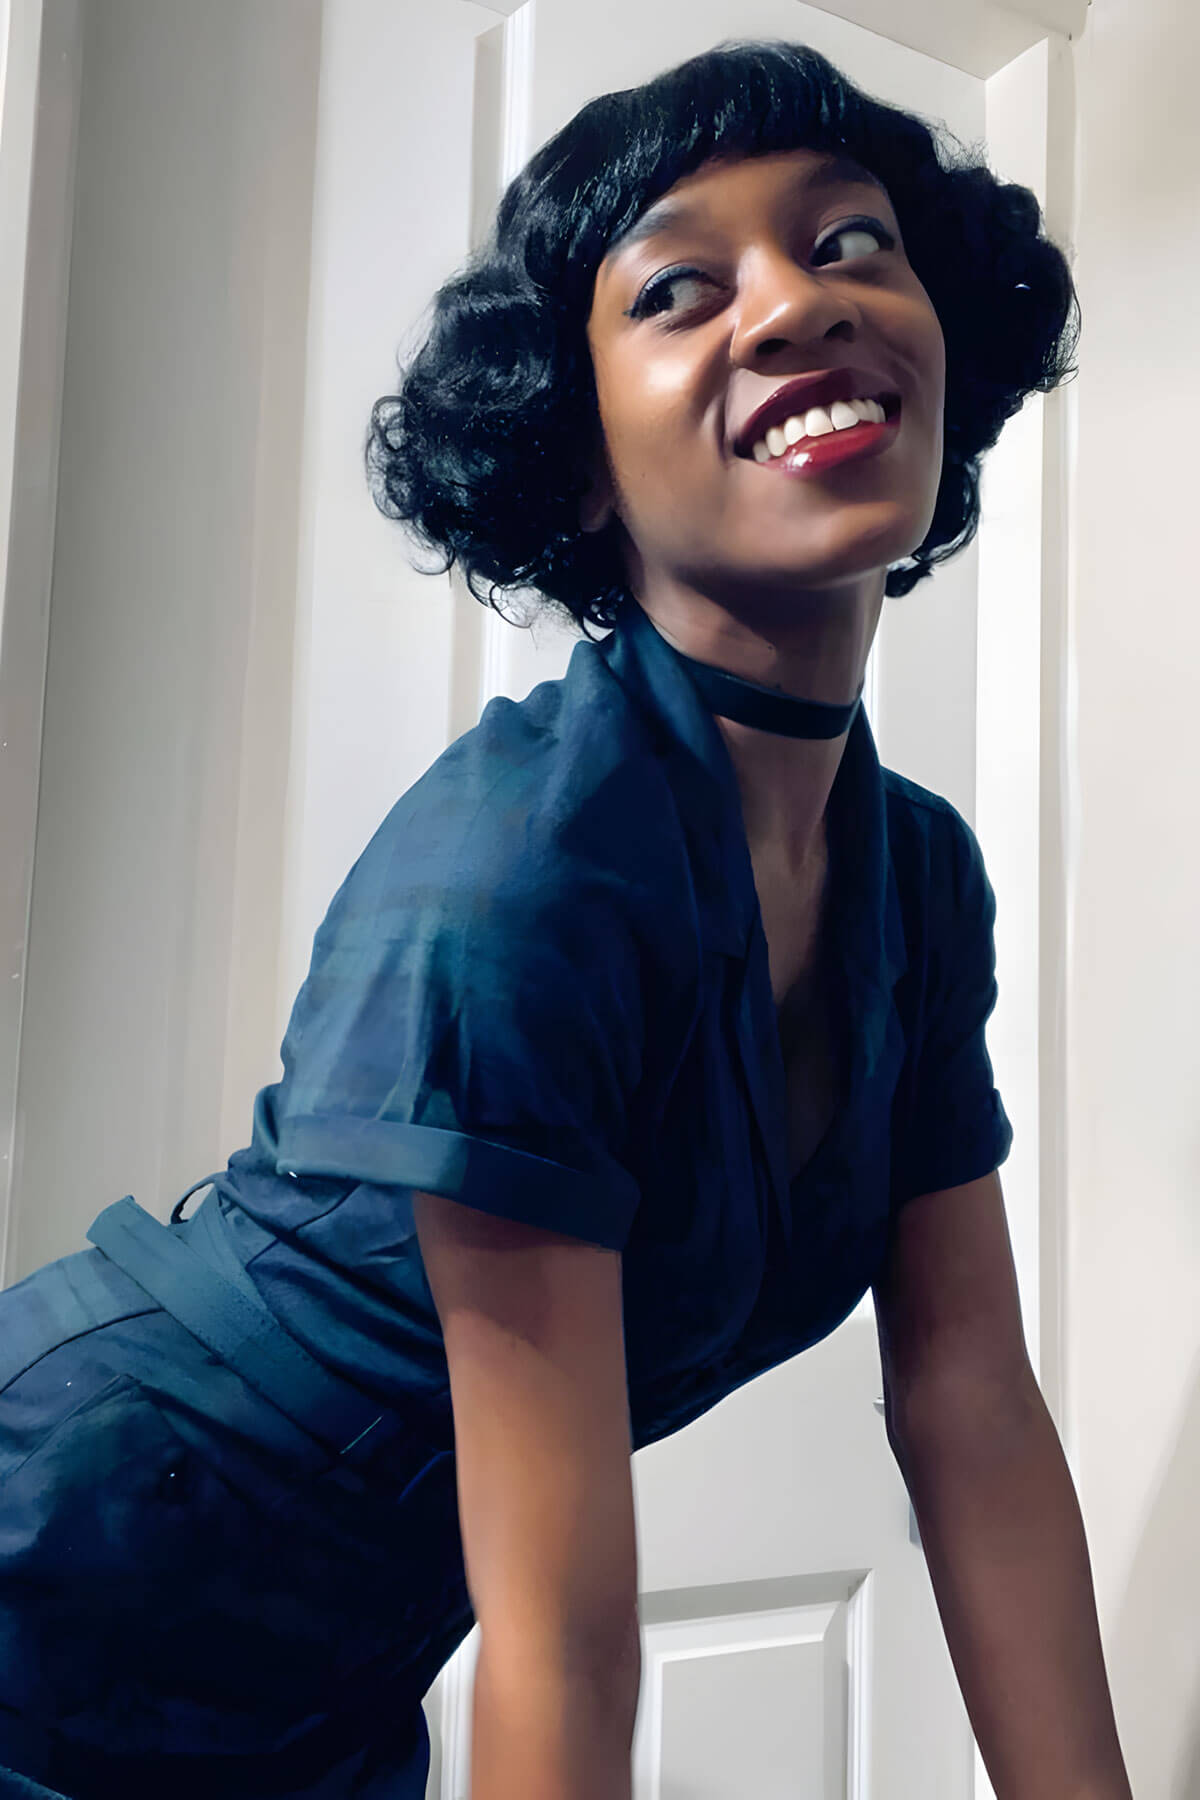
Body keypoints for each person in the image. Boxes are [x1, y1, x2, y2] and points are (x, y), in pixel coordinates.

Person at [0, 34, 1131, 1800]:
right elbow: (566, 1633)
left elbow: (973, 1414)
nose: (795, 305)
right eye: (683, 285)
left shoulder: (917, 879)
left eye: (853, 244)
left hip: (331, 1666)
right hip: (68, 1580)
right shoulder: (523, 864)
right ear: (580, 458)